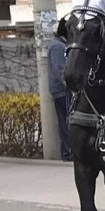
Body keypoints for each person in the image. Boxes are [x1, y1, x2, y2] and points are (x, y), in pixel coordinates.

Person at [47, 32, 72, 161]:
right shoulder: (58, 47)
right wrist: (70, 86)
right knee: (68, 121)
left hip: (60, 91)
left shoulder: (58, 45)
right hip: (63, 91)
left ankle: (67, 152)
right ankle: (69, 152)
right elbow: (60, 70)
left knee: (65, 121)